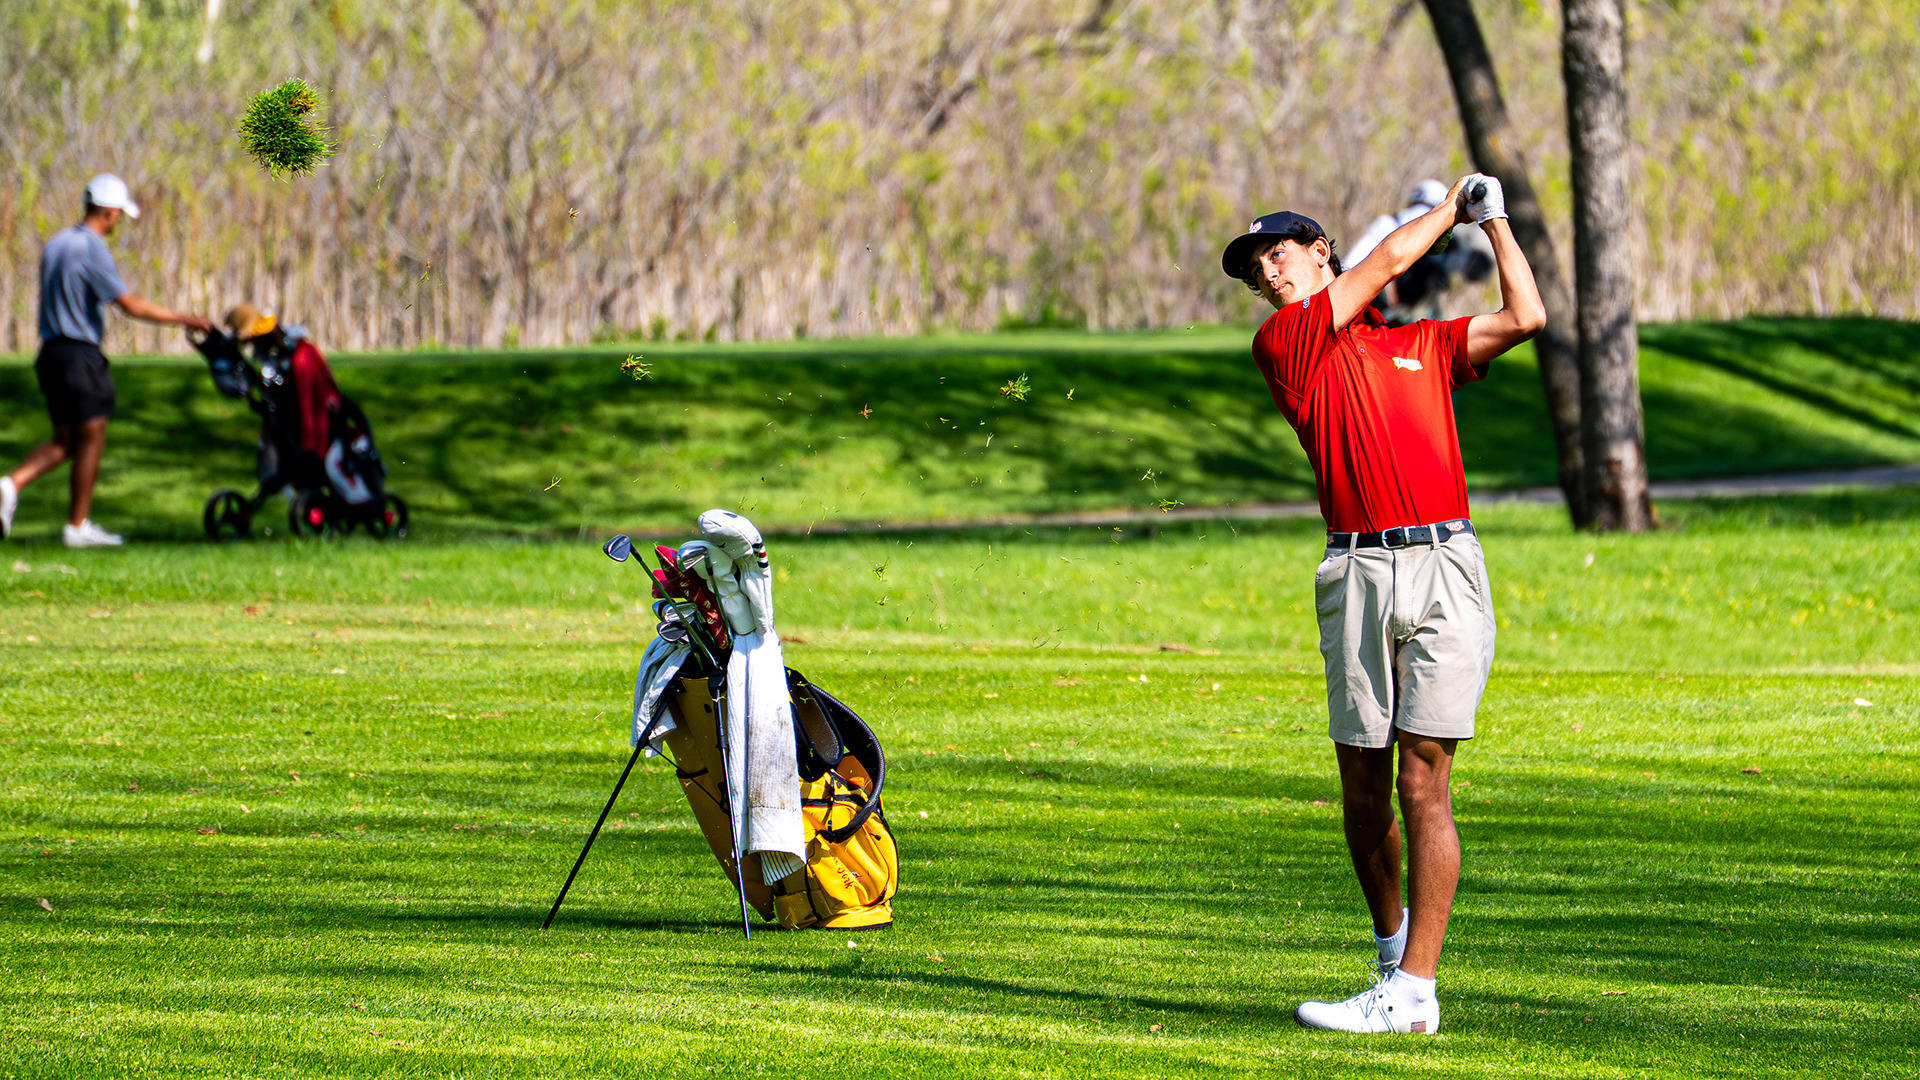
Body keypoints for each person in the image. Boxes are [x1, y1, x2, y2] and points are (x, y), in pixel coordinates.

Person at [1218, 174, 1543, 1034]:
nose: (1270, 276)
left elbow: (1527, 319)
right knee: (1363, 785)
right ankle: (1390, 952)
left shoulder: (1423, 346)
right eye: (1258, 270)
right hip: (1356, 572)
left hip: (1445, 563)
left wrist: (1497, 218)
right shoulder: (1286, 344)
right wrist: (1452, 210)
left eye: (1278, 256)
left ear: (1320, 250)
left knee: (1423, 781)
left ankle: (1415, 995)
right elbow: (1395, 254)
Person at [0, 174, 213, 547]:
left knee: (66, 440)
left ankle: (9, 485)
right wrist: (185, 318)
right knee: (93, 434)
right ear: (110, 212)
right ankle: (77, 526)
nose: (118, 223)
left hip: (49, 352)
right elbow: (128, 303)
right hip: (79, 353)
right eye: (119, 216)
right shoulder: (92, 248)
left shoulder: (56, 243)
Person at [1344, 179, 1497, 326]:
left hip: (1375, 307)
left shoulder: (1389, 222)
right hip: (1397, 309)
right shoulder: (1443, 236)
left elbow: (1350, 264)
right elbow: (1468, 267)